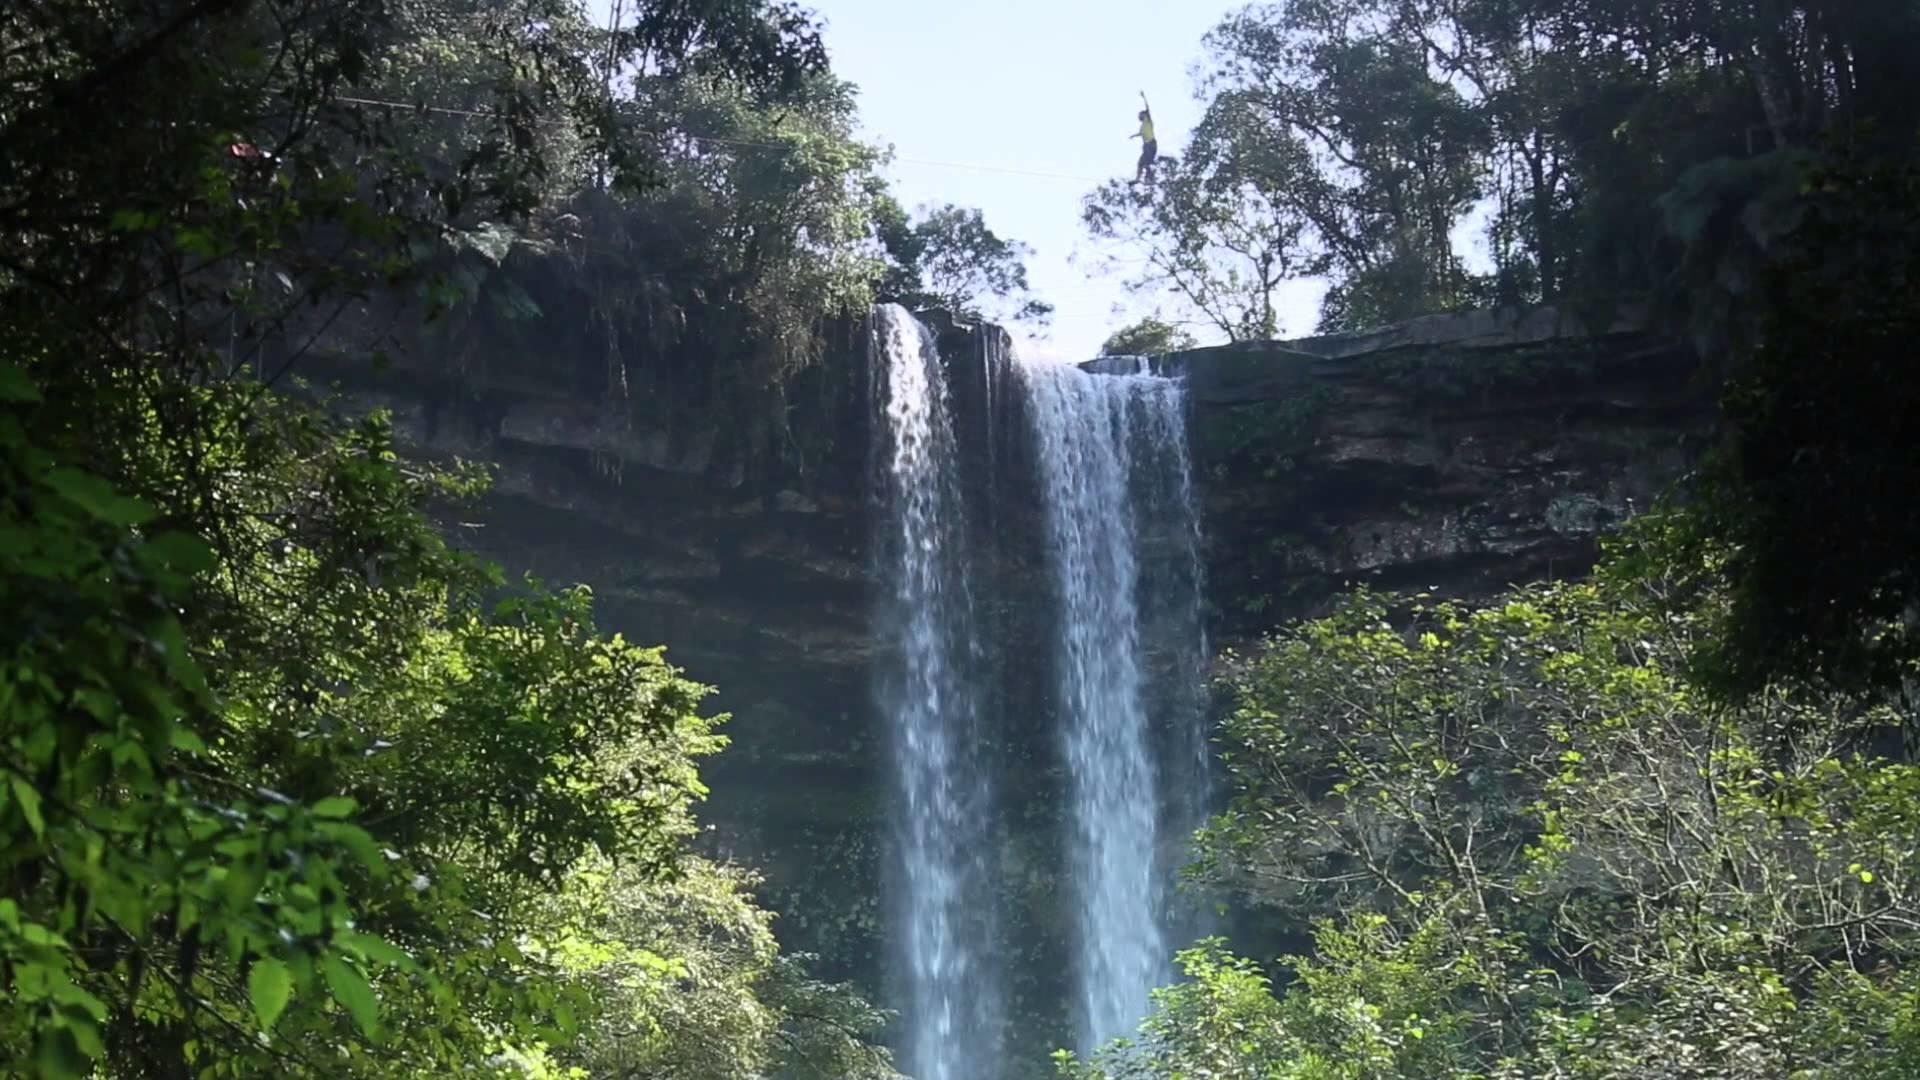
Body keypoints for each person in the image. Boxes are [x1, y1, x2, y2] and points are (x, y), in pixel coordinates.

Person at [1130, 92, 1157, 184]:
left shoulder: (1148, 120)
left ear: (1144, 115)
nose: (1139, 117)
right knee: (1140, 163)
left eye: (1140, 115)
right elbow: (1141, 133)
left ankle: (1150, 179)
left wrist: (1144, 97)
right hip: (1146, 146)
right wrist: (1134, 136)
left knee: (1146, 162)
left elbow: (1148, 109)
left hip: (1151, 144)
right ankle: (1138, 178)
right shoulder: (1142, 126)